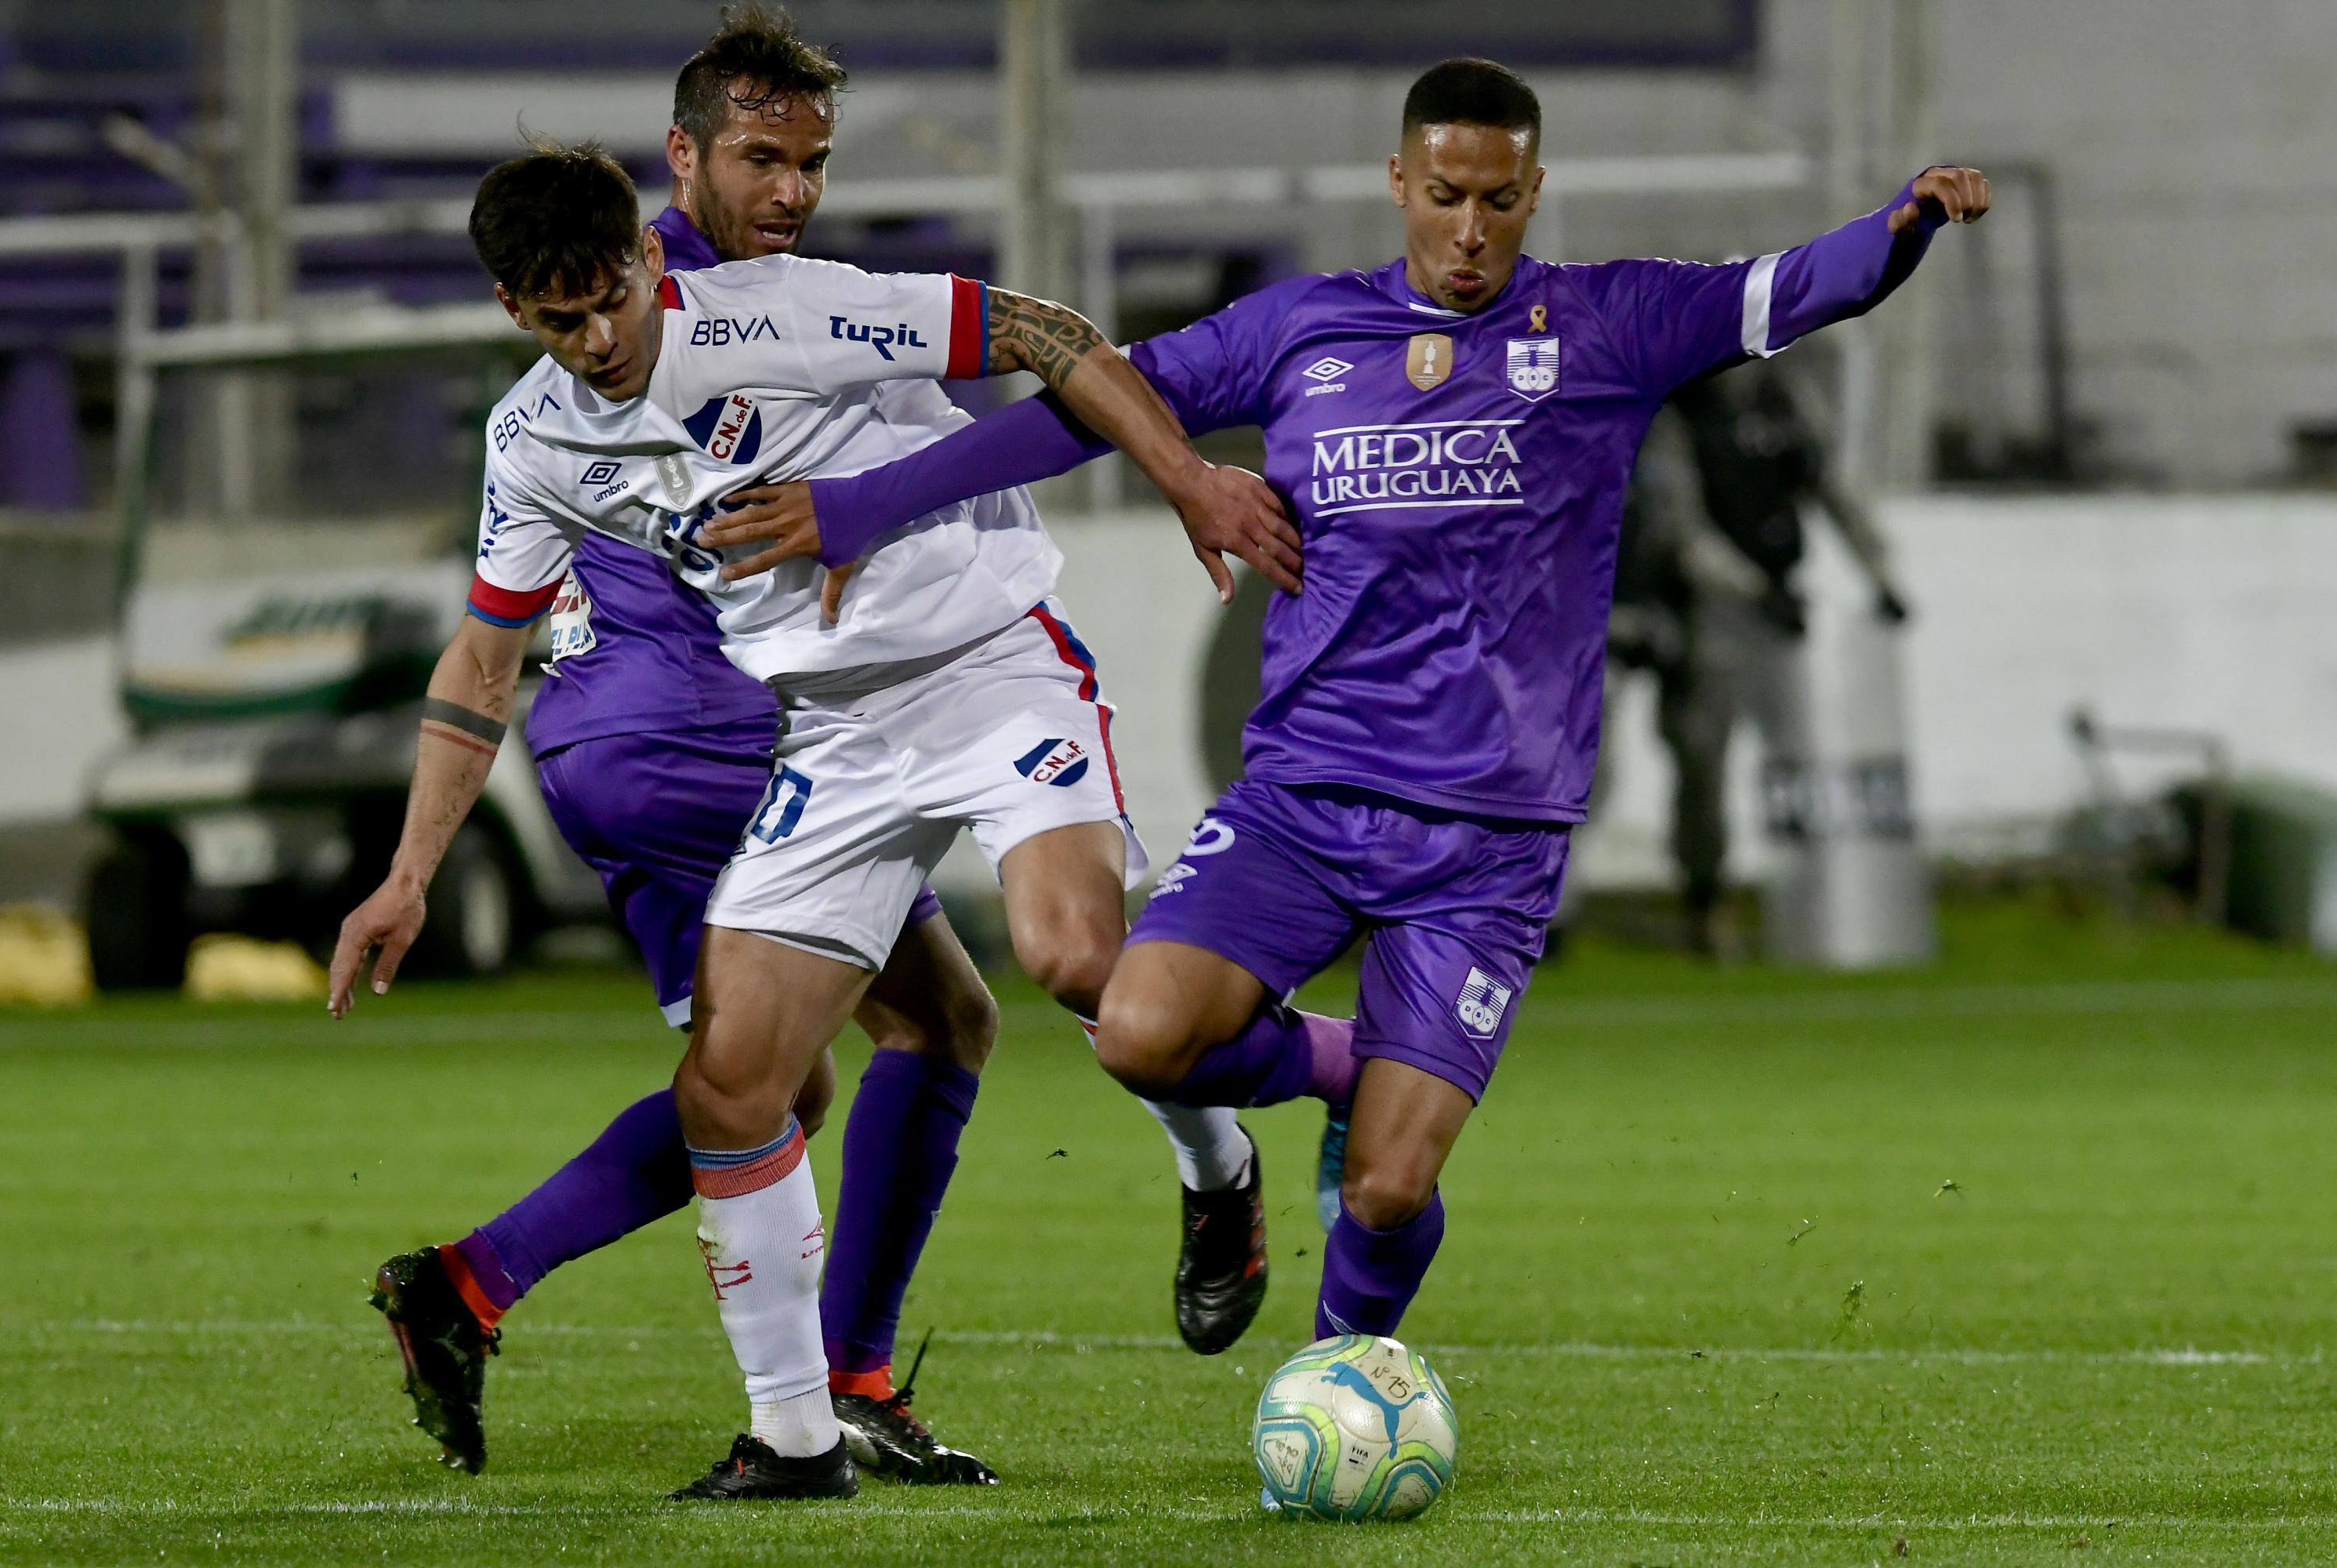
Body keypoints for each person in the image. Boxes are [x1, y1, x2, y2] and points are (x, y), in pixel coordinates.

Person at [698, 57, 1987, 1360]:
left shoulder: (1609, 323)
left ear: (1535, 192)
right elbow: (1090, 410)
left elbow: (1797, 286)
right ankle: (1346, 1080)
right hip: (1302, 805)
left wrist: (1905, 224)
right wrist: (864, 503)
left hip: (1490, 839)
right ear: (1399, 182)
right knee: (1137, 1029)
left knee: (1384, 1190)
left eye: (1498, 202)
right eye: (1444, 196)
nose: (1470, 230)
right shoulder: (1302, 330)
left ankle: (1332, 1375)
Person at [330, 121, 1320, 1498]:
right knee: (751, 1081)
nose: (597, 340)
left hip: (981, 674)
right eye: (560, 322)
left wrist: (1189, 478)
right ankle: (799, 1432)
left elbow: (1041, 332)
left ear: (646, 256)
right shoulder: (534, 437)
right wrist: (408, 873)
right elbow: (485, 655)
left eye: (610, 301)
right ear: (513, 309)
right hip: (816, 734)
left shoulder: (776, 309)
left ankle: (1239, 1150)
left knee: (1066, 964)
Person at [353, 11, 1001, 1488]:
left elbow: (491, 640)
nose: (790, 191)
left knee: (770, 1087)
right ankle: (838, 1395)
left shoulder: (632, 316)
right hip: (713, 736)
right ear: (683, 161)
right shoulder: (704, 306)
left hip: (605, 750)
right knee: (933, 1028)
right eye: (760, 159)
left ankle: (467, 1286)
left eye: (811, 162)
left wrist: (412, 871)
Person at [1653, 359, 1910, 955]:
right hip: (1710, 613)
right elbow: (1682, 529)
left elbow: (1832, 485)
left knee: (1812, 757)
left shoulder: (1784, 397)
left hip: (1783, 604)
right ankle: (1706, 901)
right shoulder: (1679, 410)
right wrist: (1752, 589)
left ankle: (1826, 900)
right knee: (1703, 762)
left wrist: (1881, 574)